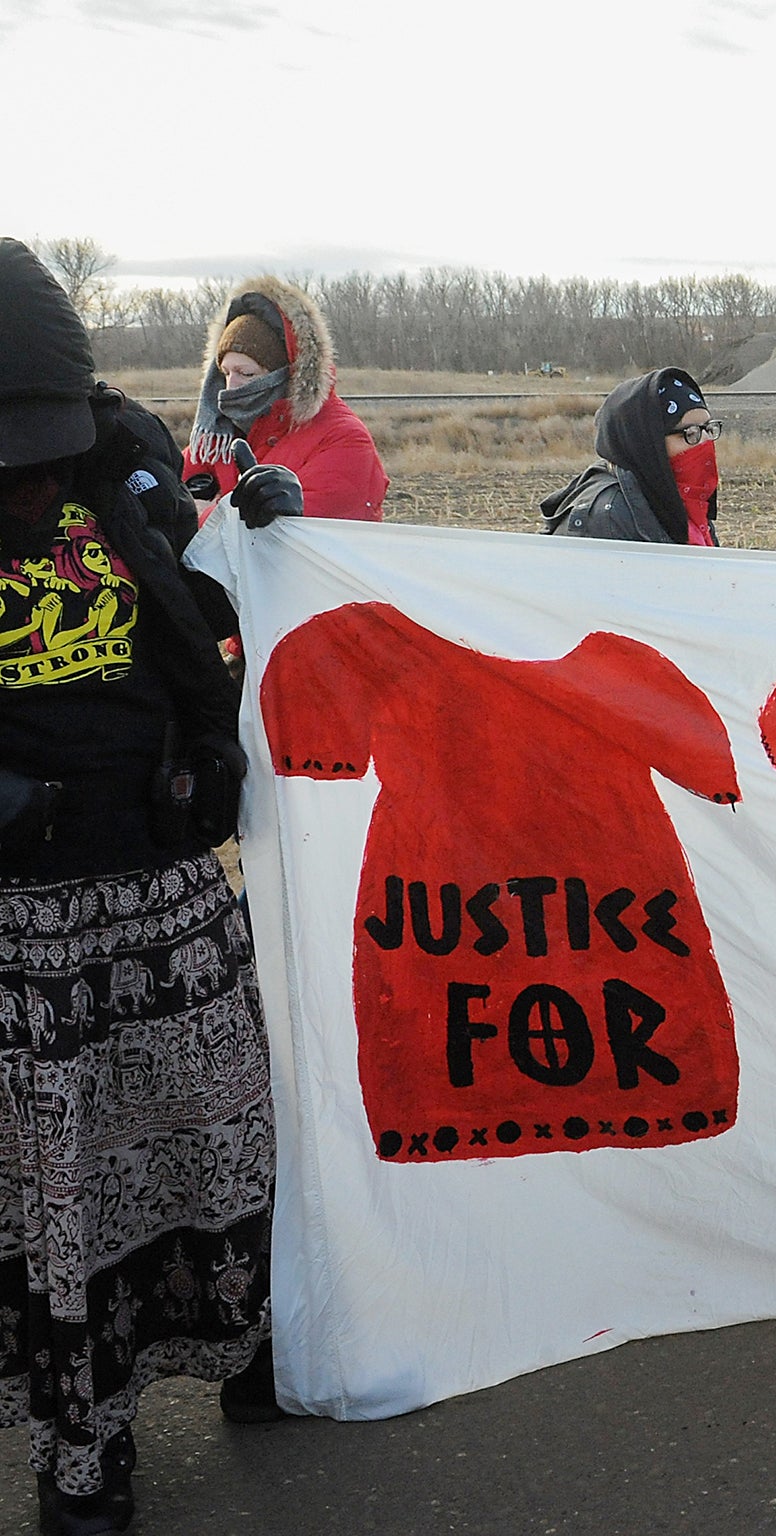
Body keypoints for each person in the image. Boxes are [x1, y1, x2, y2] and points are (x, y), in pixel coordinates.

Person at [0, 239, 300, 1533]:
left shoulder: (117, 467)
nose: (31, 476)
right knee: (64, 1191)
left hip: (169, 889)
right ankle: (87, 1448)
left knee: (215, 1144)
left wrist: (264, 533)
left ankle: (256, 1351)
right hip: (24, 929)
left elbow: (203, 579)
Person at [180, 275, 388, 521]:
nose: (230, 387)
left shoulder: (344, 439)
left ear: (286, 375)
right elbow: (166, 492)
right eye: (225, 373)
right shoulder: (219, 434)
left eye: (246, 374)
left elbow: (285, 532)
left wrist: (201, 516)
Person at [540, 367, 721, 543]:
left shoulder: (681, 499)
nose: (705, 441)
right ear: (647, 442)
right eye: (690, 433)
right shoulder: (608, 517)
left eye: (708, 428)